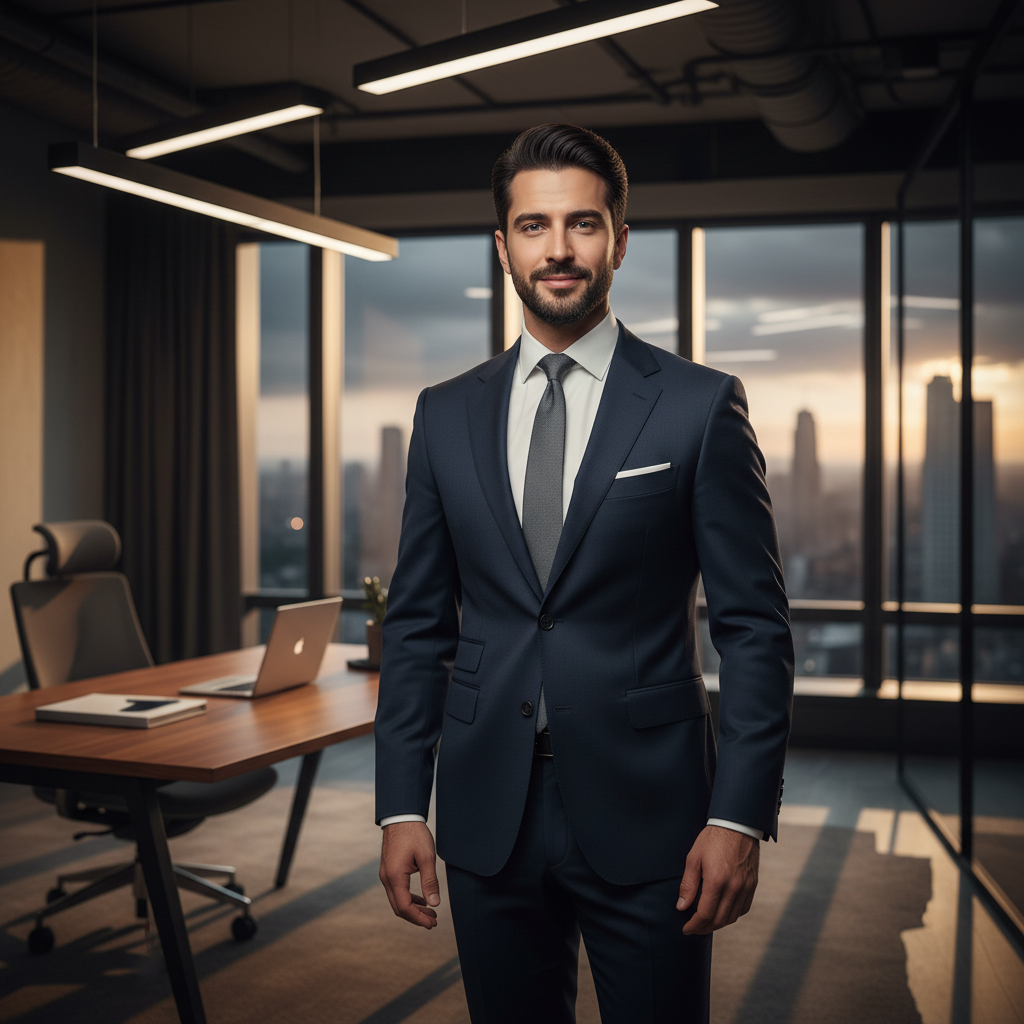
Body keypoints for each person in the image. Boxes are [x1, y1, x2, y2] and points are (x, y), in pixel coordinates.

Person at [374, 123, 794, 1024]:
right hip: (488, 809)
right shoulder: (443, 415)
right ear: (502, 246)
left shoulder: (698, 405)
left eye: (582, 225)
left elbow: (754, 628)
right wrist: (400, 804)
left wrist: (739, 816)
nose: (558, 250)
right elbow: (416, 628)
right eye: (533, 227)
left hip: (655, 812)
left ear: (620, 239)